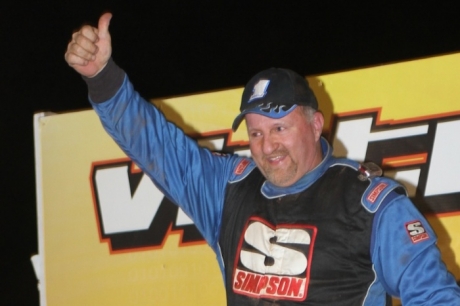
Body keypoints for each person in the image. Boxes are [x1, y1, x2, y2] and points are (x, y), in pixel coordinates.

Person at [65, 13, 460, 305]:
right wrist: (102, 77)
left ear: (316, 124)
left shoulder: (372, 205)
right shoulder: (228, 190)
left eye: (280, 128)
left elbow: (436, 297)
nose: (267, 145)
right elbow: (156, 147)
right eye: (255, 132)